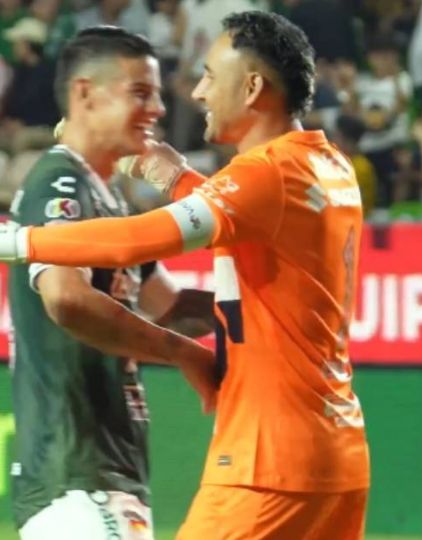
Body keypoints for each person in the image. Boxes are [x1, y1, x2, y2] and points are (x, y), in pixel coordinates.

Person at [0, 11, 369, 539]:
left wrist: (18, 242)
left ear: (252, 87)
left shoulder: (265, 173)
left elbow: (138, 239)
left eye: (210, 76)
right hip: (338, 456)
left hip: (267, 459)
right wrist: (169, 173)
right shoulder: (328, 166)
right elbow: (249, 215)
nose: (197, 92)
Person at [7, 26, 217, 539]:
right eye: (140, 93)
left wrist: (268, 306)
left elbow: (171, 308)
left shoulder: (108, 197)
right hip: (75, 477)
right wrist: (182, 354)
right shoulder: (60, 182)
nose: (158, 109)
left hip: (105, 479)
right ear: (85, 94)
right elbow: (66, 297)